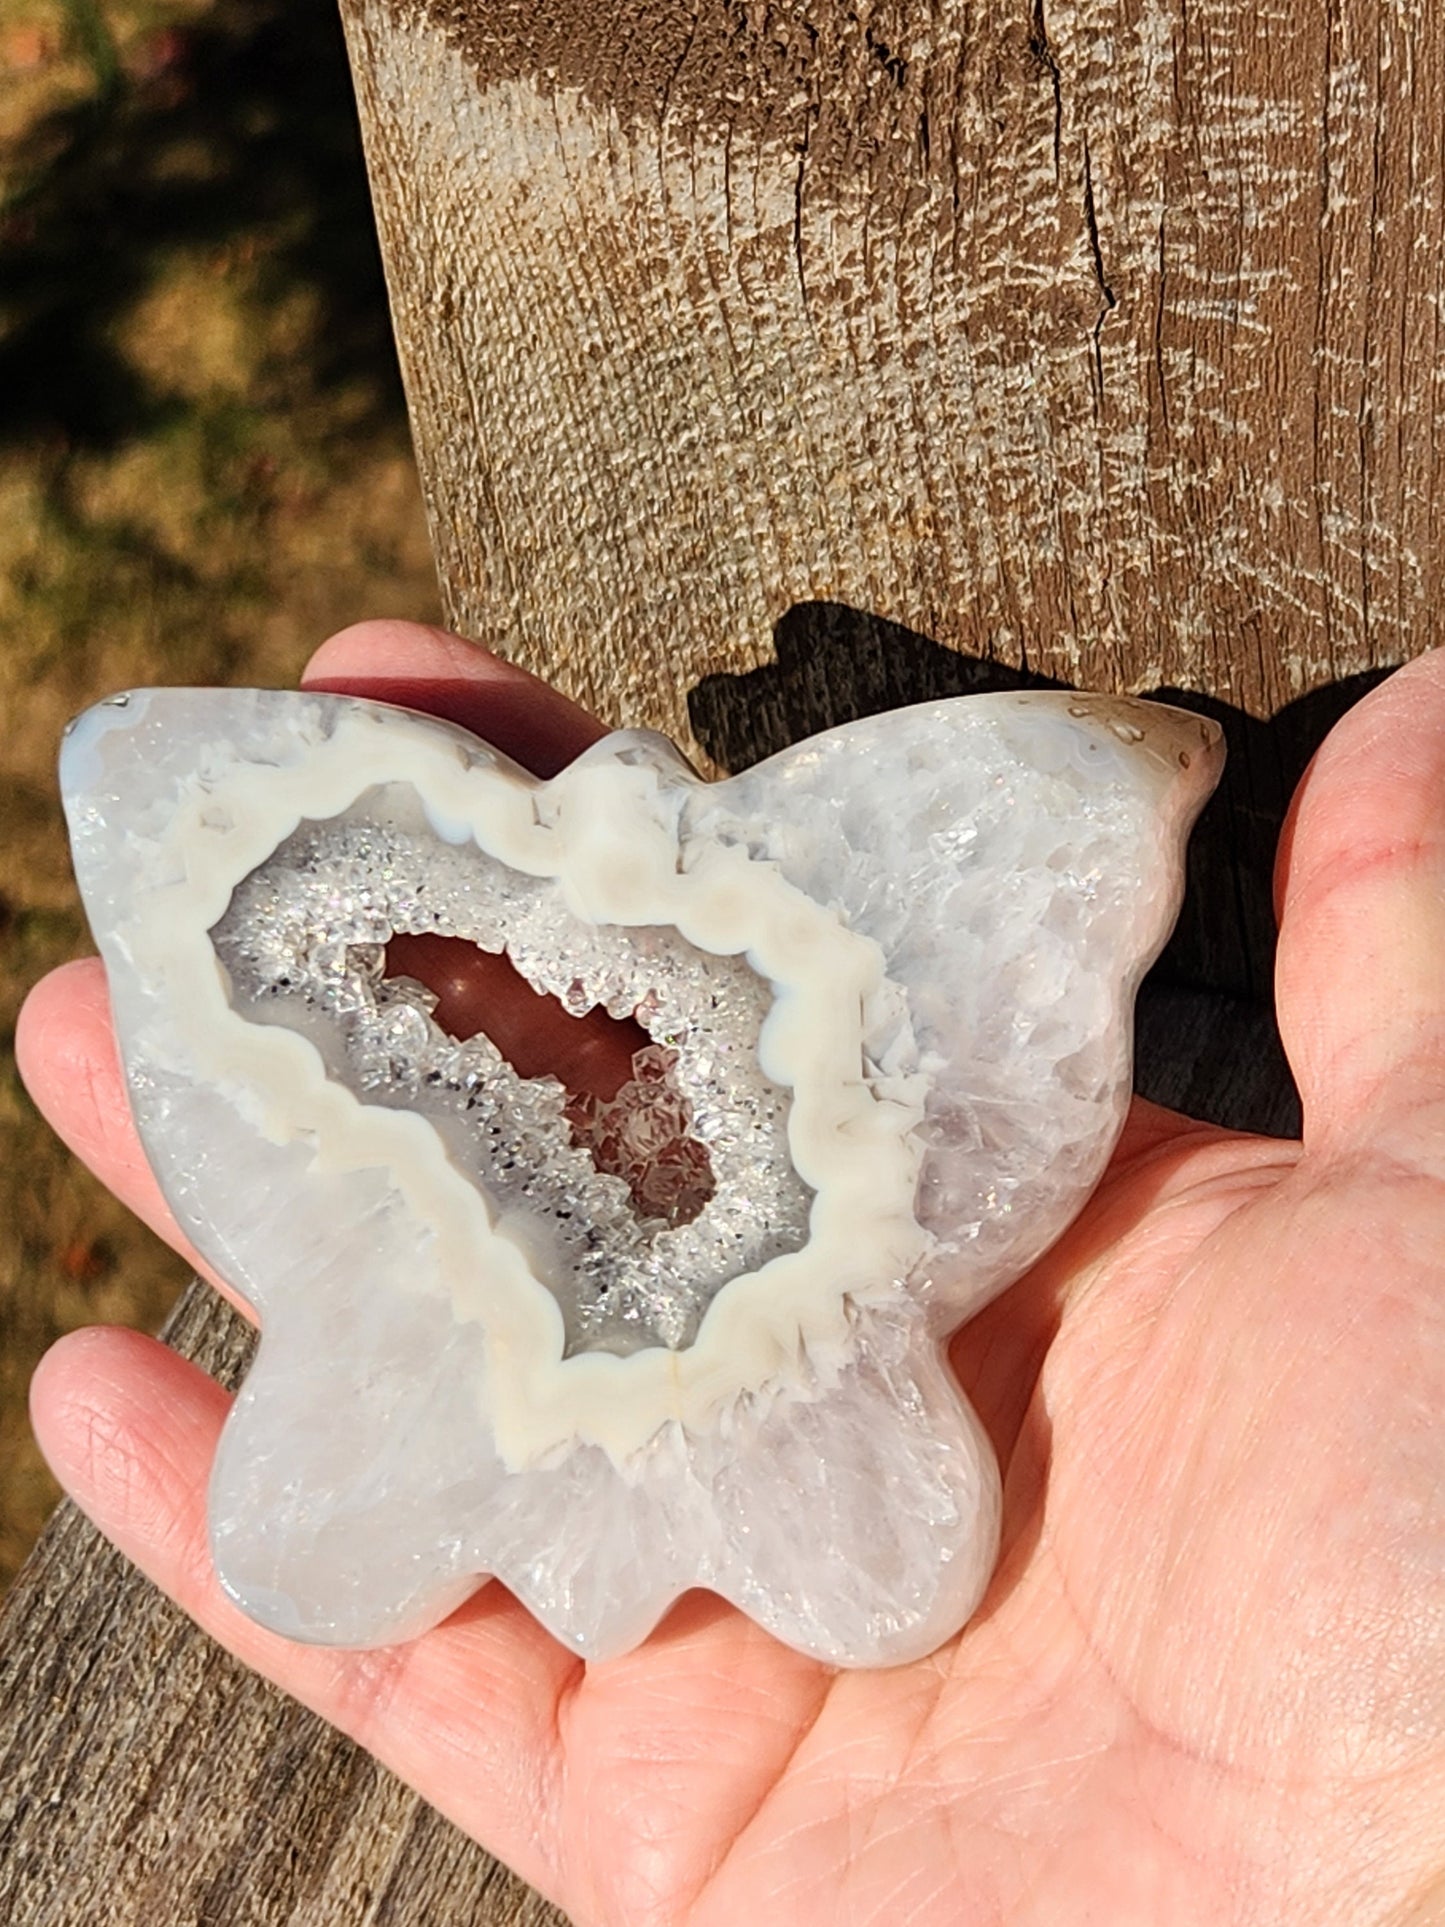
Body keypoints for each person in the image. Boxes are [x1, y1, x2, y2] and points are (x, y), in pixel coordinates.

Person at [18, 621, 1445, 1926]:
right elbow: (162, 804)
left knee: (865, 1560)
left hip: (820, 1411)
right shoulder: (223, 832)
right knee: (345, 1531)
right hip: (570, 1408)